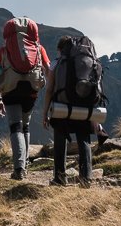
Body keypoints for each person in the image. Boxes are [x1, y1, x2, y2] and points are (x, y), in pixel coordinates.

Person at [0, 17, 51, 180]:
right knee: (25, 126)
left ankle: (19, 169)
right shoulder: (39, 48)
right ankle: (24, 165)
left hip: (10, 91)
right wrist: (50, 90)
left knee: (15, 127)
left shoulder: (4, 50)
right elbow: (47, 69)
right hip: (31, 92)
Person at [42, 35, 99, 187]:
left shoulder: (57, 63)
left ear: (60, 49)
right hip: (84, 106)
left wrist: (45, 113)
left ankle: (60, 178)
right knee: (83, 139)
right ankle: (86, 177)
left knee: (60, 139)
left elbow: (49, 90)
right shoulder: (86, 61)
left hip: (63, 107)